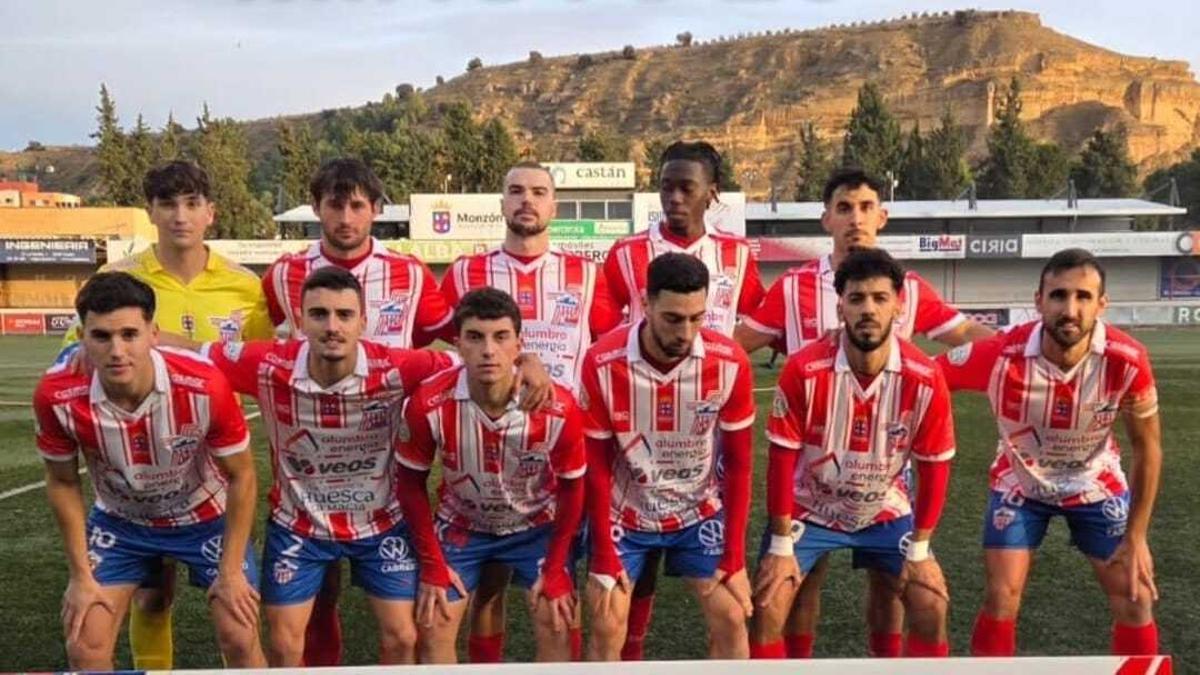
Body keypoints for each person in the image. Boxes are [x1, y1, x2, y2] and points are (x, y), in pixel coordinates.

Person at [734, 167, 992, 658]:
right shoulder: (791, 289)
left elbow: (968, 339)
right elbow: (737, 348)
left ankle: (888, 662)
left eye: (867, 207)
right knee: (795, 589)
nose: (856, 218)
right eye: (845, 208)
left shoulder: (909, 287)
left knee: (892, 588)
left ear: (883, 216)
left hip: (883, 476)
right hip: (813, 474)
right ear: (826, 218)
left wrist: (1023, 351)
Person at [62, 160, 276, 670]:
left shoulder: (246, 287)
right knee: (151, 598)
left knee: (237, 616)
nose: (180, 216)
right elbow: (71, 357)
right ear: (151, 212)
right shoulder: (117, 280)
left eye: (191, 203)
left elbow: (257, 367)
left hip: (210, 475)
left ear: (211, 214)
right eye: (168, 204)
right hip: (134, 477)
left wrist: (189, 358)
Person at [193, 266, 455, 665]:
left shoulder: (397, 367)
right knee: (283, 646)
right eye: (319, 314)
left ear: (363, 322)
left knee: (403, 637)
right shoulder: (266, 364)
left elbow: (470, 361)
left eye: (344, 315)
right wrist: (102, 349)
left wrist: (525, 362)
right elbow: (192, 352)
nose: (332, 326)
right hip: (299, 527)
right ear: (300, 321)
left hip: (379, 523)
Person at [260, 158, 454, 665]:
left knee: (402, 627)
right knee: (316, 603)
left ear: (376, 210)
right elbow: (275, 346)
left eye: (356, 205)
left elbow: (456, 338)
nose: (345, 217)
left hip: (384, 465)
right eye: (334, 204)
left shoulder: (409, 274)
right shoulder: (284, 274)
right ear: (317, 208)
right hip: (309, 466)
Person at [934, 248, 1163, 657]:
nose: (1070, 309)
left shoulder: (1127, 361)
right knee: (1002, 598)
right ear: (1038, 300)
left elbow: (1148, 448)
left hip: (1096, 484)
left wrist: (1138, 536)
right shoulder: (1000, 356)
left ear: (1102, 304)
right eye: (1058, 295)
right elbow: (924, 376)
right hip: (1019, 486)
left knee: (1135, 598)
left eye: (1083, 296)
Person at [33, 272, 265, 669]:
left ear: (153, 333)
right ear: (82, 336)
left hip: (205, 518)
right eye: (101, 336)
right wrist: (80, 576)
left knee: (239, 635)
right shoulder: (57, 395)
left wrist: (230, 572)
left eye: (129, 334)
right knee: (84, 646)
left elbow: (242, 475)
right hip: (121, 524)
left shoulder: (204, 384)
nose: (117, 350)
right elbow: (62, 482)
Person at [438, 160, 620, 661]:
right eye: (515, 190)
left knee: (558, 597)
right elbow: (437, 345)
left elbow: (610, 348)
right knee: (487, 587)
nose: (526, 200)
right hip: (479, 449)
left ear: (553, 206)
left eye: (538, 192)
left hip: (555, 458)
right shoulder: (464, 272)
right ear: (501, 203)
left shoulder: (586, 275)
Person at [601, 140, 764, 658]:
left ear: (710, 194)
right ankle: (632, 652)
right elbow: (605, 329)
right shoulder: (626, 254)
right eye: (665, 185)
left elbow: (758, 321)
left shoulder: (737, 256)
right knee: (637, 573)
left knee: (715, 569)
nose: (673, 197)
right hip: (639, 424)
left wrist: (728, 363)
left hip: (706, 421)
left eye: (685, 187)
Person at [749, 248, 954, 659]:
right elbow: (782, 461)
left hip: (885, 508)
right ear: (839, 305)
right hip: (811, 507)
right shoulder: (804, 369)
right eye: (856, 298)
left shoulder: (926, 377)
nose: (868, 309)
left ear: (898, 305)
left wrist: (920, 550)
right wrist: (780, 545)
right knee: (768, 604)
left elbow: (934, 469)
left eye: (880, 298)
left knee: (930, 603)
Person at [397, 288, 587, 663]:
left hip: (536, 526)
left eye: (501, 338)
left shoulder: (558, 407)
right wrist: (433, 565)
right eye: (475, 337)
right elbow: (409, 485)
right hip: (461, 526)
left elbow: (573, 488)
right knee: (433, 623)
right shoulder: (429, 403)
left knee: (557, 617)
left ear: (519, 344)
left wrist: (556, 566)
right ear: (458, 344)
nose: (488, 350)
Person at [582, 253, 755, 660]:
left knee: (732, 617)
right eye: (674, 318)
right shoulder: (603, 362)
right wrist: (604, 554)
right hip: (626, 516)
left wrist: (734, 556)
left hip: (698, 514)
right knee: (607, 625)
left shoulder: (729, 362)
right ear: (645, 304)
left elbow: (741, 466)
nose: (687, 331)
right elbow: (596, 465)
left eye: (697, 318)